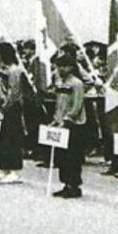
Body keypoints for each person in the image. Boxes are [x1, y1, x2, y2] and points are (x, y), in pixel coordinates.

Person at [49, 53, 88, 199]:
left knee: (73, 157)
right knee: (61, 157)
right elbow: (59, 104)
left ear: (71, 67)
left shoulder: (76, 83)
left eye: (63, 66)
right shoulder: (59, 82)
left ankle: (74, 186)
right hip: (60, 123)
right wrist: (56, 120)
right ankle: (65, 184)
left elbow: (77, 105)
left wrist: (67, 120)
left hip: (74, 125)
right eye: (58, 66)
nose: (60, 69)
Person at [0, 43, 26, 185]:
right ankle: (4, 169)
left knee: (12, 138)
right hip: (0, 106)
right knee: (2, 139)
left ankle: (14, 170)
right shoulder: (3, 70)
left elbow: (14, 93)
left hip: (11, 109)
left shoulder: (15, 71)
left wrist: (4, 109)